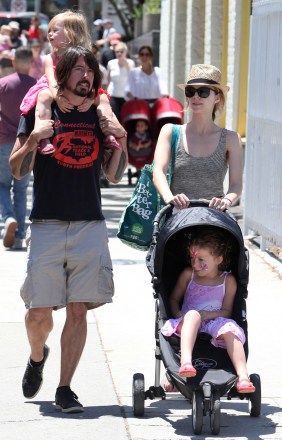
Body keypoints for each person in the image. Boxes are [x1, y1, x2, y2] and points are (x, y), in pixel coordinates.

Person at [9, 45, 128, 413]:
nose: (86, 75)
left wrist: (120, 140)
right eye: (78, 69)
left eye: (90, 70)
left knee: (78, 309)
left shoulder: (98, 116)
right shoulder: (40, 112)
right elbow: (16, 169)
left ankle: (65, 388)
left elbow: (113, 174)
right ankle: (36, 354)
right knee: (39, 312)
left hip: (89, 224)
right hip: (46, 223)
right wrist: (33, 139)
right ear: (62, 75)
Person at [161, 228, 256, 394]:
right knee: (193, 314)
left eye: (201, 259)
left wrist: (208, 315)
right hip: (188, 323)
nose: (195, 264)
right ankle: (185, 363)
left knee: (230, 330)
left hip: (214, 322)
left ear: (218, 259)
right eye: (192, 258)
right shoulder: (188, 275)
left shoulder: (228, 280)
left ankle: (243, 377)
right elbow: (174, 299)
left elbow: (227, 311)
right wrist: (177, 313)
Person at [20, 10, 120, 156]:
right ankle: (43, 137)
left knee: (103, 100)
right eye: (49, 31)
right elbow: (51, 79)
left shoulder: (85, 55)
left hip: (80, 87)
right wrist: (58, 97)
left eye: (55, 30)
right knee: (43, 97)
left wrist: (91, 98)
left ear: (71, 32)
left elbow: (94, 77)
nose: (49, 34)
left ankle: (109, 133)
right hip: (56, 86)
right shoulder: (51, 56)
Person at [153, 64, 243, 212]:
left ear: (217, 97)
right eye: (190, 91)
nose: (195, 96)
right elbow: (158, 172)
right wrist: (169, 198)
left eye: (203, 92)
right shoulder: (170, 131)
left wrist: (227, 200)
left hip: (213, 220)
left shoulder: (231, 139)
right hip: (176, 221)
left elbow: (236, 184)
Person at [0, 47, 36, 249]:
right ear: (31, 62)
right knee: (21, 191)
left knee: (1, 185)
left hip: (4, 141)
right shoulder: (37, 87)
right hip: (27, 145)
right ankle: (20, 235)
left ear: (14, 62)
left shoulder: (3, 84)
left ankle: (8, 217)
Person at [107, 41, 135, 121]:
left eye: (121, 52)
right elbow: (108, 80)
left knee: (125, 119)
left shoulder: (130, 62)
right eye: (117, 52)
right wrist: (105, 94)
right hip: (113, 94)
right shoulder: (111, 63)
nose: (119, 54)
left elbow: (133, 76)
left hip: (126, 97)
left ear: (126, 52)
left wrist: (125, 63)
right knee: (114, 119)